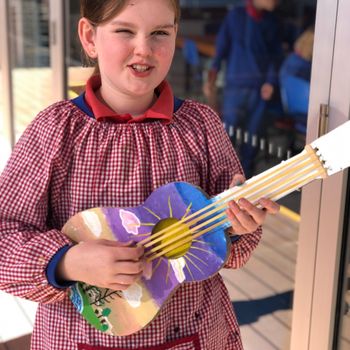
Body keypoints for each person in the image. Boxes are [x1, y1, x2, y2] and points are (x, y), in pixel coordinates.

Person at [0, 1, 279, 349]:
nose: (144, 49)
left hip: (192, 331)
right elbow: (4, 236)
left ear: (175, 34)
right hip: (80, 337)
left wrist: (237, 227)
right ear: (89, 37)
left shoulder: (202, 126)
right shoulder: (55, 131)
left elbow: (230, 240)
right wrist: (68, 262)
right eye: (124, 31)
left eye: (160, 32)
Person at [204, 0, 283, 178]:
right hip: (235, 87)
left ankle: (246, 185)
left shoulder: (272, 22)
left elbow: (275, 57)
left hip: (260, 91)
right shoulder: (235, 16)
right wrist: (211, 78)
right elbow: (221, 48)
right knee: (228, 135)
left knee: (253, 138)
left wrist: (270, 81)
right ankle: (221, 181)